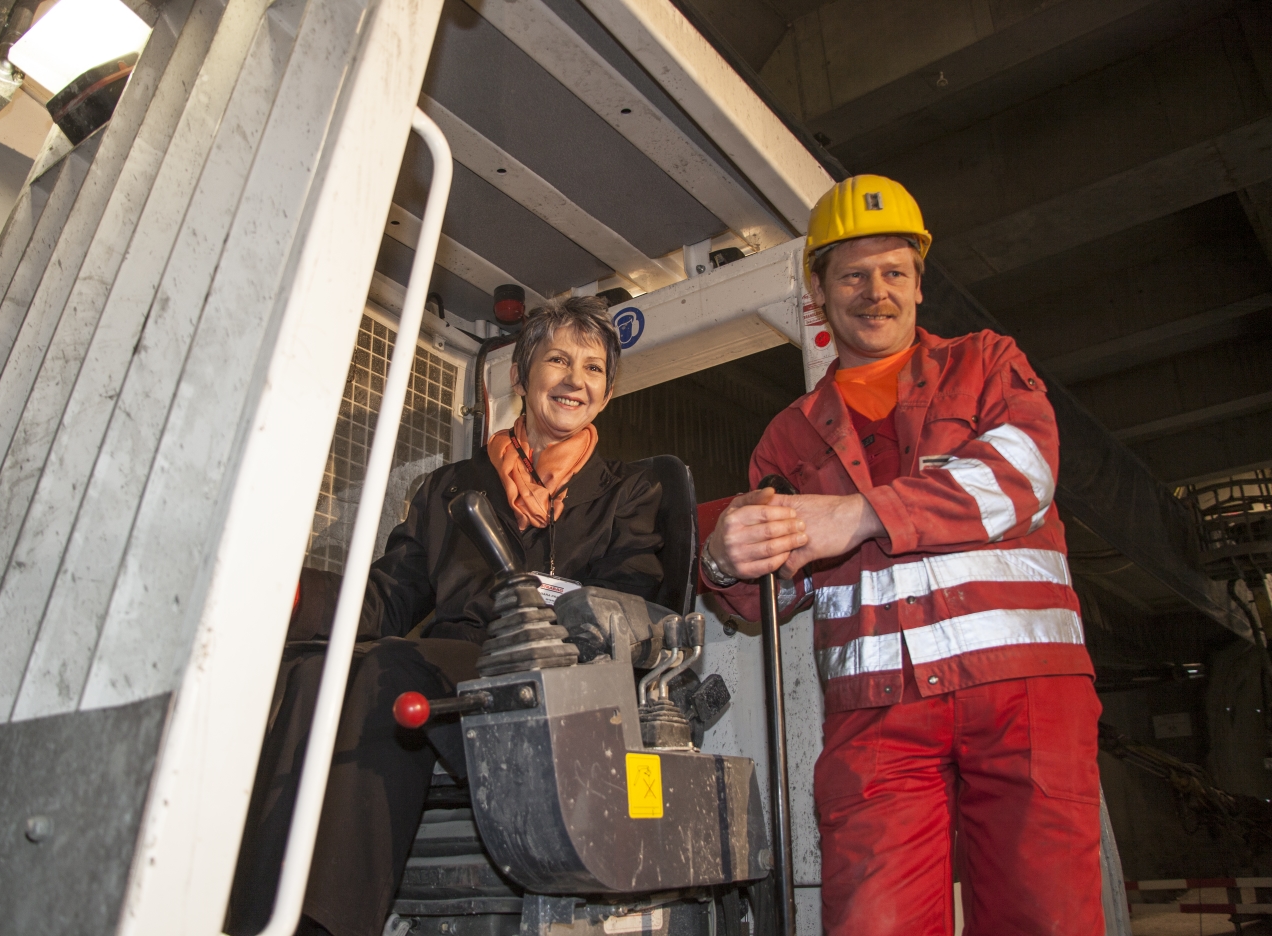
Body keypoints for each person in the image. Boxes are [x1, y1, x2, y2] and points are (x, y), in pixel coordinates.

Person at [698, 175, 1102, 935]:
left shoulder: (988, 363)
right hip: (879, 718)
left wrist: (857, 514)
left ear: (919, 285)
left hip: (1024, 696)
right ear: (817, 294)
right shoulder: (788, 436)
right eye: (851, 274)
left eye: (893, 272)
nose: (874, 292)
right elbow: (770, 593)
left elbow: (1023, 474)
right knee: (872, 923)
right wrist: (724, 561)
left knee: (1046, 918)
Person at [227, 296, 664, 936]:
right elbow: (387, 598)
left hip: (556, 685)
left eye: (593, 369)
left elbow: (634, 604)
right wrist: (289, 596)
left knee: (394, 667)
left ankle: (327, 926)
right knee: (310, 671)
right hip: (453, 670)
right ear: (521, 376)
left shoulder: (631, 493)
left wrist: (560, 613)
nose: (575, 380)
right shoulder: (449, 488)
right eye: (558, 360)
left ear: (607, 391)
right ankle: (255, 917)